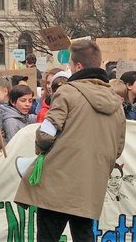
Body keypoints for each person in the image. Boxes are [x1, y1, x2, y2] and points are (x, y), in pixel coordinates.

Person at [14, 40, 126, 242]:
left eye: (71, 65)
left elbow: (46, 134)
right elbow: (118, 148)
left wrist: (41, 152)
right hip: (90, 187)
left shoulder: (67, 91)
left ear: (78, 67)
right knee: (84, 237)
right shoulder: (116, 103)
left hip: (57, 184)